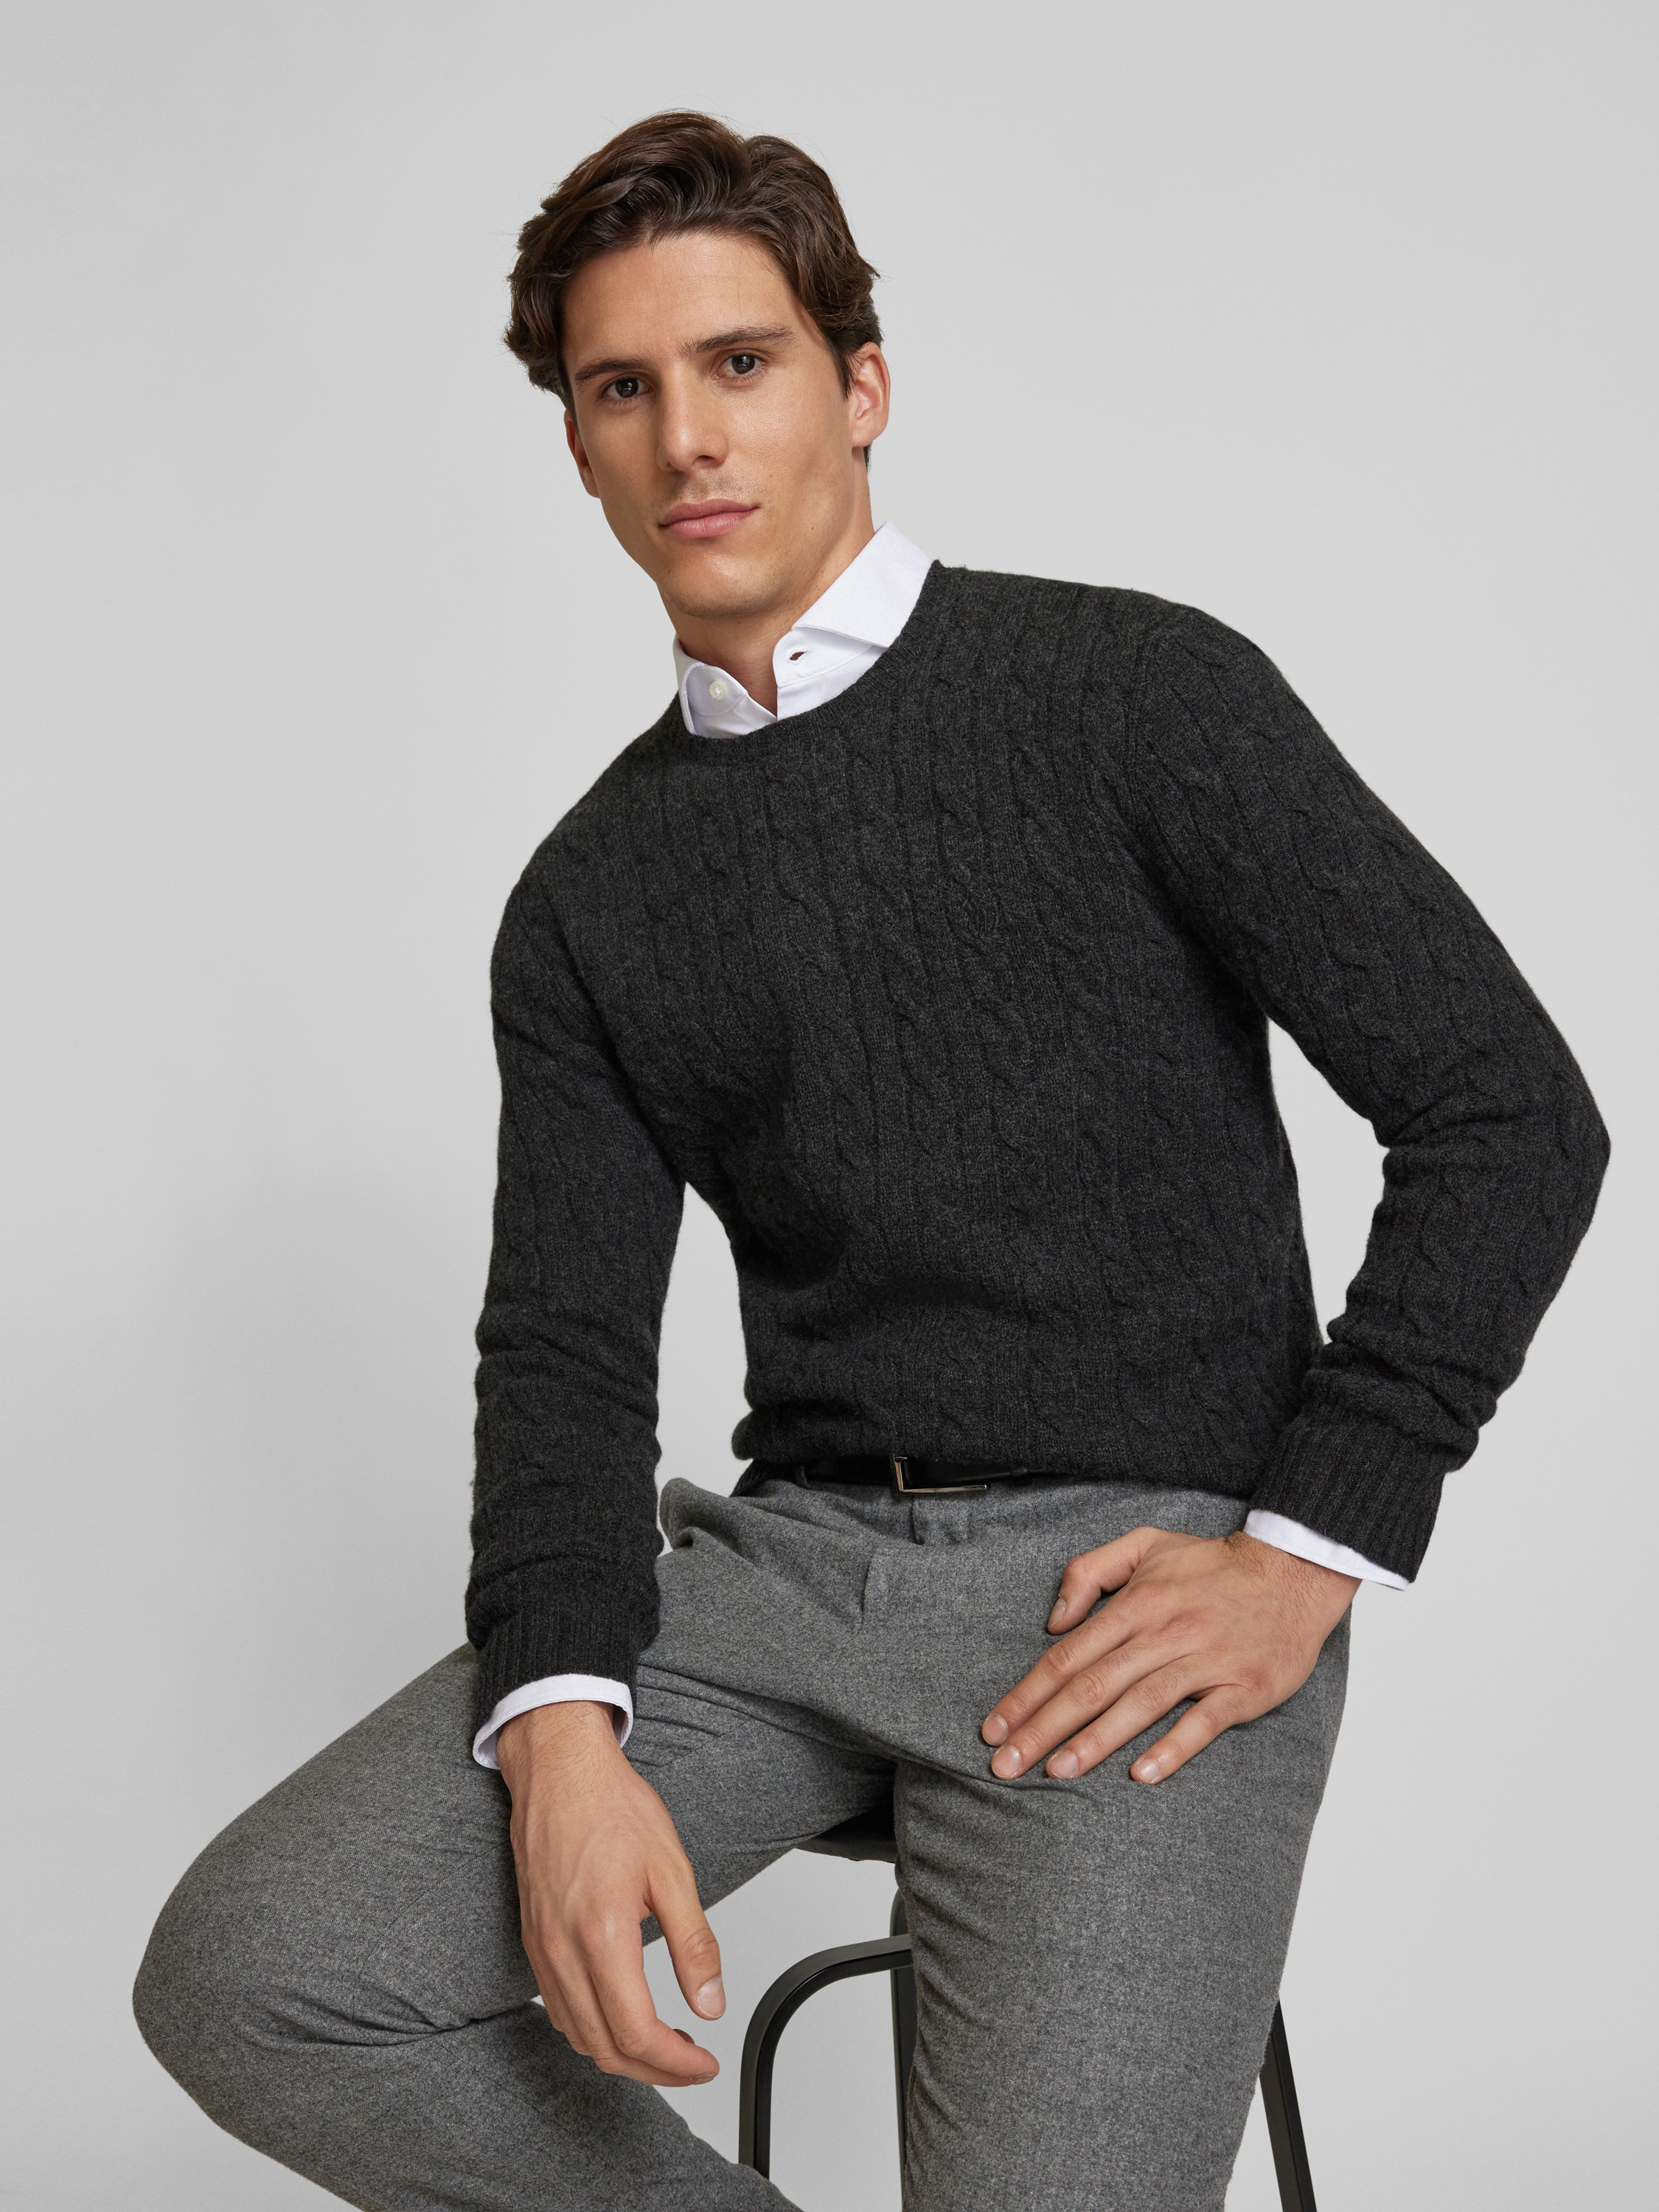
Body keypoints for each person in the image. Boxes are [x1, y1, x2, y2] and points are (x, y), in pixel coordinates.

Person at [133, 111, 1609, 2212]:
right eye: (620, 389)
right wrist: (559, 1727)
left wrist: (1303, 1552)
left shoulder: (1134, 695)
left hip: (1131, 1589)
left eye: (739, 363)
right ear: (576, 448)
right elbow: (561, 1360)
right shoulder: (589, 897)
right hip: (791, 1582)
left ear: (860, 387)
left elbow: (1506, 1111)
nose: (685, 439)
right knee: (261, 1976)